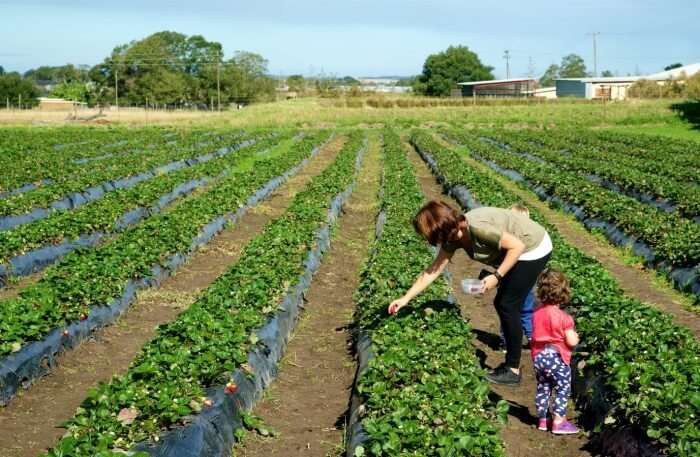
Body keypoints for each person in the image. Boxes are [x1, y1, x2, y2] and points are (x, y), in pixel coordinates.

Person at [388, 200, 552, 385]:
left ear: (443, 228)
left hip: (533, 247)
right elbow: (433, 270)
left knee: (507, 304)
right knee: (504, 303)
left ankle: (512, 370)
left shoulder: (478, 228)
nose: (437, 242)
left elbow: (517, 247)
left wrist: (497, 276)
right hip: (517, 250)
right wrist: (405, 298)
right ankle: (512, 364)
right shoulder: (452, 237)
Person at [531, 268, 580, 434]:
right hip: (557, 359)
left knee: (543, 387)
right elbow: (571, 342)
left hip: (539, 358)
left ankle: (543, 419)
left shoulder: (536, 313)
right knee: (562, 388)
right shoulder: (564, 318)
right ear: (564, 292)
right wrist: (576, 336)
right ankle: (559, 421)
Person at [498, 204, 536, 351]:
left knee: (506, 311)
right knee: (526, 312)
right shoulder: (531, 240)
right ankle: (533, 339)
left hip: (512, 284)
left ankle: (505, 342)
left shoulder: (508, 241)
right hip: (527, 284)